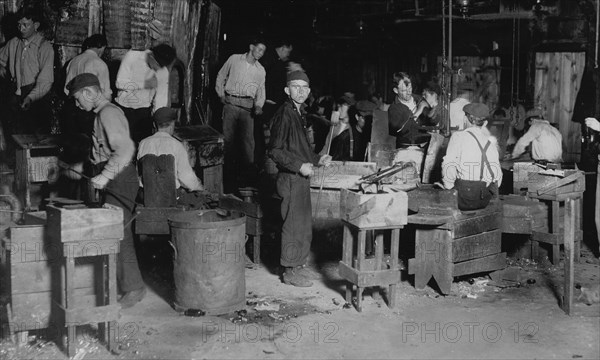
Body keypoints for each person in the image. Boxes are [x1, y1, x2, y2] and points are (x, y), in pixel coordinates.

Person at [66, 73, 145, 308]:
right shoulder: (101, 114)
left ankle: (134, 288)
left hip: (120, 177)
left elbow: (125, 149)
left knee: (119, 234)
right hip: (114, 175)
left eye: (78, 98)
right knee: (115, 234)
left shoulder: (108, 113)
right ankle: (126, 285)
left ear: (89, 93)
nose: (77, 104)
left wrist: (105, 175)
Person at [268, 70, 331, 287]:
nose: (301, 91)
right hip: (290, 178)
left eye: (305, 87)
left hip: (300, 177)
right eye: (296, 87)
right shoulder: (285, 113)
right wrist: (299, 166)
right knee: (293, 225)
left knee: (303, 224)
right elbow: (275, 150)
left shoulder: (299, 113)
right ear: (287, 90)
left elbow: (299, 149)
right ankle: (289, 271)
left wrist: (317, 159)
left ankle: (298, 265)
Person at [215, 37, 267, 193]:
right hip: (230, 104)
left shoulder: (260, 70)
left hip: (247, 108)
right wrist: (220, 94)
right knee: (228, 141)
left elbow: (261, 91)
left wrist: (258, 105)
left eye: (263, 51)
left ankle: (246, 181)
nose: (261, 53)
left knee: (247, 145)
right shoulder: (234, 59)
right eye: (259, 49)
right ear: (251, 46)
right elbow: (221, 75)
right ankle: (225, 179)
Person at [0, 7, 54, 134]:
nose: (21, 28)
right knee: (15, 137)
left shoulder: (45, 47)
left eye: (26, 25)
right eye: (19, 25)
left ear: (36, 25)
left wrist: (30, 97)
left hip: (36, 99)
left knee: (34, 139)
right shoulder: (13, 43)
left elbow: (45, 81)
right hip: (15, 96)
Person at [441, 103, 503, 211]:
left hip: (464, 198)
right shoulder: (491, 142)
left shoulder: (458, 137)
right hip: (484, 199)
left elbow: (448, 166)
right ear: (485, 123)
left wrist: (449, 188)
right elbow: (498, 176)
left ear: (466, 119)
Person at [115, 43, 177, 144]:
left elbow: (161, 98)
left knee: (141, 145)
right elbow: (119, 82)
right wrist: (143, 84)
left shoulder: (163, 71)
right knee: (122, 146)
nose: (158, 69)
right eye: (157, 65)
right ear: (151, 56)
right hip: (123, 108)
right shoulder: (133, 55)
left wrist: (159, 122)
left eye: (161, 67)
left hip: (143, 112)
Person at [137, 107, 204, 192]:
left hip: (146, 192)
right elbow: (186, 177)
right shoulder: (177, 145)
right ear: (172, 125)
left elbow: (139, 172)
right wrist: (199, 187)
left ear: (154, 124)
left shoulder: (143, 143)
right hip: (169, 195)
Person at [61, 34, 111, 135]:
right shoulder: (99, 63)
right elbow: (106, 93)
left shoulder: (73, 61)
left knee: (74, 143)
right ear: (102, 47)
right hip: (90, 113)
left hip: (72, 110)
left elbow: (66, 89)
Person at [388, 72, 427, 147]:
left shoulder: (419, 99)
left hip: (424, 147)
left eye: (410, 88)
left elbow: (434, 121)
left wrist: (433, 112)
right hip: (405, 150)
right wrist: (419, 111)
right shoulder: (394, 109)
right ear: (396, 90)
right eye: (404, 90)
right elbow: (401, 130)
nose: (409, 92)